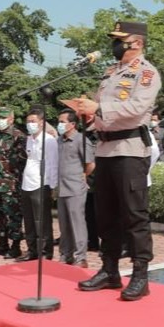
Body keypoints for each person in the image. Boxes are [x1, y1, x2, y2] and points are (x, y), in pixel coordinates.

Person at [74, 20, 161, 301]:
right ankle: (109, 270)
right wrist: (88, 115)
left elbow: (137, 107)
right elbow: (103, 113)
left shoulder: (146, 73)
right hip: (105, 149)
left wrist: (98, 107)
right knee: (106, 214)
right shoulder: (111, 72)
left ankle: (140, 275)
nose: (115, 45)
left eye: (120, 40)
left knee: (134, 215)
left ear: (137, 43)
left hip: (130, 150)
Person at [17, 108, 58, 262]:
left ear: (42, 122)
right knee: (29, 219)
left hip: (42, 183)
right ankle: (32, 250)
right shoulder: (29, 139)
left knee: (42, 220)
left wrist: (52, 185)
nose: (30, 124)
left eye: (33, 121)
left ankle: (45, 251)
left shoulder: (49, 140)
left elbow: (53, 163)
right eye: (28, 121)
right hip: (27, 182)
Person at [56, 108, 94, 267]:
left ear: (72, 124)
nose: (59, 124)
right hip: (61, 187)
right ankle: (66, 254)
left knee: (77, 222)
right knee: (64, 224)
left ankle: (80, 257)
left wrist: (83, 175)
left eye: (62, 122)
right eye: (58, 122)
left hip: (75, 187)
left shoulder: (81, 140)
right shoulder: (59, 140)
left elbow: (90, 164)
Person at [0, 107, 26, 258]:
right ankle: (2, 244)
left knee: (13, 216)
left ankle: (15, 247)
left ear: (11, 119)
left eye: (3, 118)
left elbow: (22, 161)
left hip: (11, 184)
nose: (0, 120)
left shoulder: (18, 136)